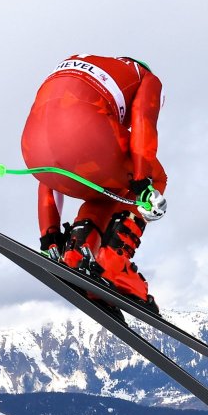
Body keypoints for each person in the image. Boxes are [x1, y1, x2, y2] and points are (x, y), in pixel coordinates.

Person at [20, 54, 168, 315]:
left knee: (105, 187)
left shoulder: (78, 63)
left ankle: (77, 252)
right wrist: (143, 183)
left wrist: (49, 237)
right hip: (89, 136)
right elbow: (144, 124)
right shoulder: (146, 78)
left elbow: (48, 175)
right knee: (153, 176)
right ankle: (114, 263)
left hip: (32, 149)